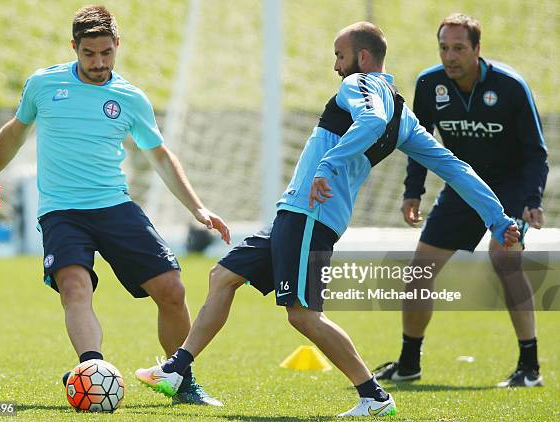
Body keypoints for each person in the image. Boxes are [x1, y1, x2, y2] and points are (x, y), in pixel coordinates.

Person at [135, 21, 521, 417]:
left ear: (364, 58)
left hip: (309, 215)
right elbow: (455, 168)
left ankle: (374, 396)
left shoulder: (360, 85)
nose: (336, 66)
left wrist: (327, 165)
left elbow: (369, 123)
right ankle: (177, 370)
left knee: (303, 315)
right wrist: (497, 218)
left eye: (340, 55)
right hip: (296, 215)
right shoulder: (403, 116)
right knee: (223, 277)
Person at [0, 5, 230, 406]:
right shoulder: (43, 85)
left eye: (106, 52)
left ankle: (181, 380)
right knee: (74, 285)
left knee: (171, 289)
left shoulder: (130, 98)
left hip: (113, 206)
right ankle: (92, 373)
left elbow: (159, 155)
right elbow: (15, 132)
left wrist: (197, 208)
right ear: (74, 47)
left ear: (117, 46)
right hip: (61, 211)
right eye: (89, 53)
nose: (99, 62)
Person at [373, 13, 548, 388]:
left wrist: (531, 199)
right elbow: (415, 140)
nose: (450, 56)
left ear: (477, 50)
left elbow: (536, 153)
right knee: (418, 272)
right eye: (444, 48)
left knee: (505, 259)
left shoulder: (511, 86)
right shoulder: (429, 84)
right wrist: (413, 191)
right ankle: (408, 364)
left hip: (511, 188)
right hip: (462, 186)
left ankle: (530, 367)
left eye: (458, 48)